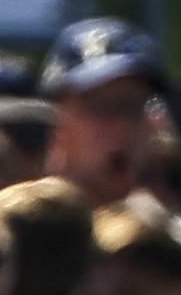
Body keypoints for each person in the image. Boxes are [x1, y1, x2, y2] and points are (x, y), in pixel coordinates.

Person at [40, 19, 170, 208]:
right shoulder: (19, 227)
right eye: (99, 108)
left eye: (131, 108)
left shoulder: (172, 234)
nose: (120, 127)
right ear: (56, 118)